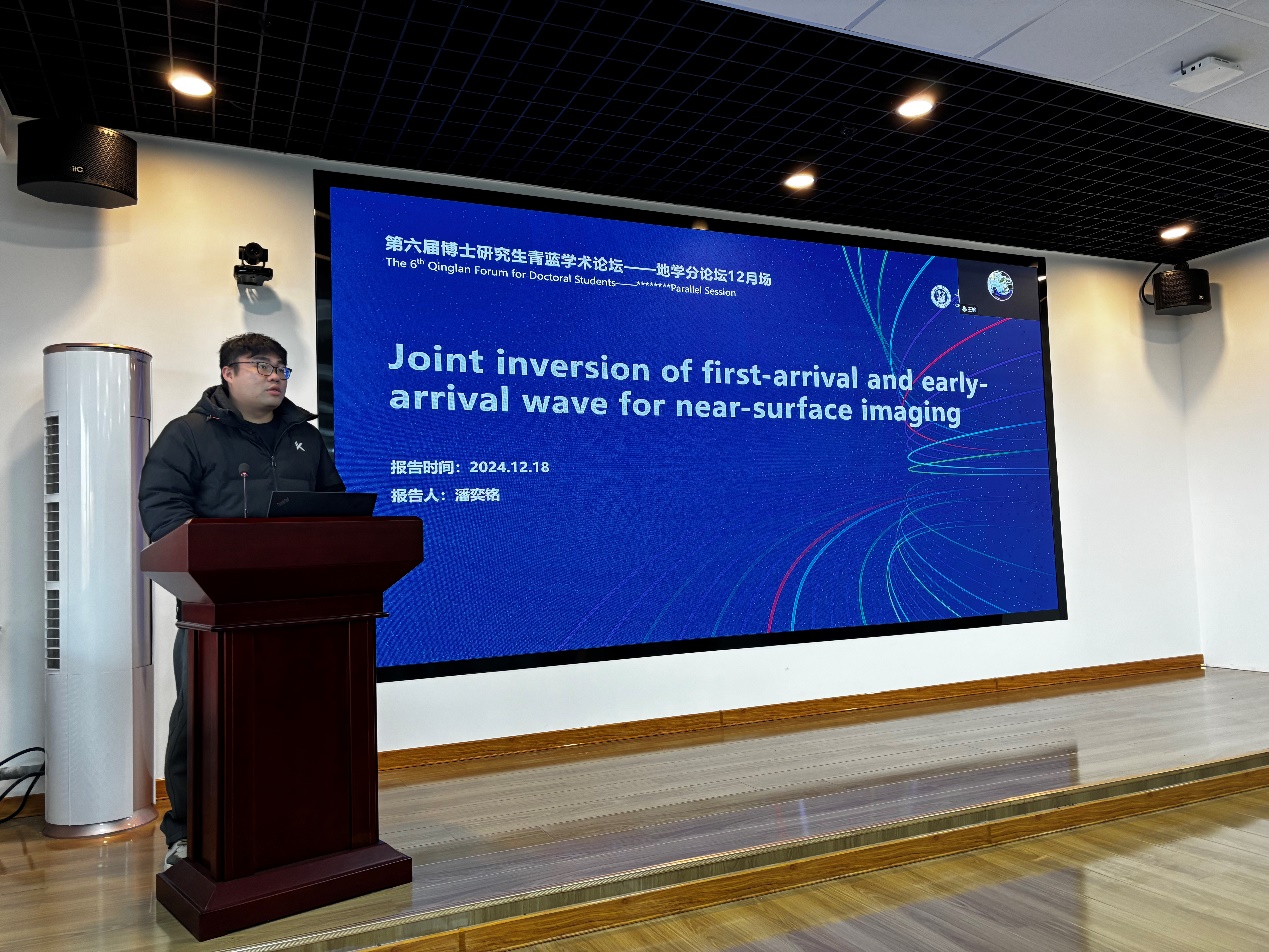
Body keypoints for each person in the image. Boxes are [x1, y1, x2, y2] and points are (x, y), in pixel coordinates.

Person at [138, 333, 345, 867]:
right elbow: (162, 507)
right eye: (261, 366)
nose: (275, 376)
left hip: (298, 607)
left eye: (282, 368)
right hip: (215, 607)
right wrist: (211, 560)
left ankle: (292, 821)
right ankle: (188, 832)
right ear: (228, 373)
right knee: (201, 719)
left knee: (292, 716)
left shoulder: (305, 438)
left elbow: (334, 505)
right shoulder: (188, 434)